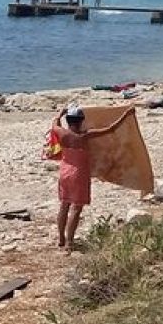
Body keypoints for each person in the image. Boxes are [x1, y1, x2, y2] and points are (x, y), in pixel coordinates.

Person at [50, 105, 126, 251]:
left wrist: (60, 113)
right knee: (76, 208)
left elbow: (54, 124)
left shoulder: (62, 133)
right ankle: (69, 243)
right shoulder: (85, 136)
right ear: (80, 121)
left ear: (69, 121)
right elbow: (111, 129)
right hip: (79, 174)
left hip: (65, 172)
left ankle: (61, 238)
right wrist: (125, 115)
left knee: (64, 205)